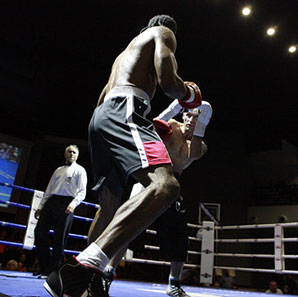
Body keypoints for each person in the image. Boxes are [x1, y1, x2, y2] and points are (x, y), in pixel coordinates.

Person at [44, 14, 204, 297]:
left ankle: (85, 288)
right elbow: (169, 83)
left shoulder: (124, 55)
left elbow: (102, 101)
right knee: (166, 186)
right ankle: (79, 270)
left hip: (101, 117)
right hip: (127, 108)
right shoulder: (163, 33)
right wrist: (189, 94)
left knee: (109, 206)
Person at [87, 101, 212, 297]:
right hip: (150, 178)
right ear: (183, 115)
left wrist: (202, 124)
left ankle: (173, 285)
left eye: (197, 117)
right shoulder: (171, 125)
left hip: (171, 186)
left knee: (179, 236)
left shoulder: (200, 144)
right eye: (188, 115)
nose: (190, 119)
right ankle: (107, 274)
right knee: (126, 228)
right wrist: (174, 107)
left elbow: (194, 153)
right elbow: (149, 128)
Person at [34, 145, 87, 278]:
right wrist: (41, 206)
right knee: (39, 231)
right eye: (69, 152)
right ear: (65, 154)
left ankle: (53, 270)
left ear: (78, 155)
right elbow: (49, 189)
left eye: (74, 152)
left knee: (59, 237)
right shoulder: (58, 170)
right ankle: (44, 266)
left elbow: (82, 191)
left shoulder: (80, 170)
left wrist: (74, 204)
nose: (72, 154)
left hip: (67, 203)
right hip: (52, 201)